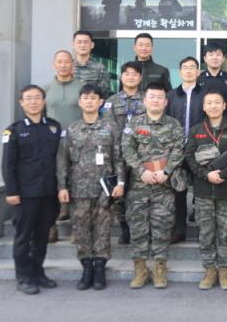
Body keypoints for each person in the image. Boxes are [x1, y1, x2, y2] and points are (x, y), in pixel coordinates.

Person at [57, 85, 125, 291]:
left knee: (103, 228)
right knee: (81, 229)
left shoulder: (111, 128)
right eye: (85, 98)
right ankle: (86, 268)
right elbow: (63, 161)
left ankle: (100, 268)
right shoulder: (71, 129)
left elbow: (118, 157)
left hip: (104, 189)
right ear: (79, 102)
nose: (89, 101)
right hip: (79, 190)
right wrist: (62, 186)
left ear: (101, 102)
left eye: (93, 98)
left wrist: (120, 182)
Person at [122, 83, 185, 289]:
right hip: (139, 186)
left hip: (164, 186)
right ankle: (140, 270)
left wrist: (166, 171)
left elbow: (179, 149)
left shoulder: (174, 125)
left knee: (162, 228)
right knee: (138, 228)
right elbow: (127, 148)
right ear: (145, 100)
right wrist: (141, 171)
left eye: (159, 97)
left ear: (166, 102)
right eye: (152, 96)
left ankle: (159, 269)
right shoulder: (134, 123)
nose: (155, 100)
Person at [1, 85, 61, 295]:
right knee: (23, 237)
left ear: (44, 101)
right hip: (26, 193)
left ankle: (38, 272)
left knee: (42, 236)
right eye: (28, 98)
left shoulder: (54, 127)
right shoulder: (14, 130)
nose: (33, 102)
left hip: (49, 192)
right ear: (21, 103)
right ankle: (24, 277)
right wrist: (11, 191)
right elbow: (8, 164)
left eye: (37, 98)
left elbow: (60, 160)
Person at [184, 90, 227, 290]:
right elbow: (189, 157)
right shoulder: (196, 130)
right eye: (209, 103)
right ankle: (210, 270)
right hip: (203, 192)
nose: (213, 106)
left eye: (217, 102)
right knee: (206, 234)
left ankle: (225, 270)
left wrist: (223, 174)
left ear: (224, 105)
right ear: (203, 107)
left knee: (226, 233)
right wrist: (206, 174)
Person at [102, 61, 146, 245]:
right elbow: (109, 128)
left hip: (141, 154)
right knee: (118, 194)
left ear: (140, 78)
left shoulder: (146, 99)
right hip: (117, 153)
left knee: (139, 194)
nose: (131, 77)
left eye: (135, 74)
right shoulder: (111, 101)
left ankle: (139, 229)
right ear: (121, 77)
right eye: (127, 74)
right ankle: (124, 228)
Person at [166, 56, 206, 243]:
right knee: (179, 191)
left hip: (200, 149)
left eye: (192, 67)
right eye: (185, 67)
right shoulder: (171, 95)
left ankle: (203, 231)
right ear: (180, 72)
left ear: (198, 72)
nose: (189, 70)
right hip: (177, 150)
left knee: (201, 191)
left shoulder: (206, 94)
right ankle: (179, 229)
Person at [44, 50, 83, 232]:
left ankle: (76, 226)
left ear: (72, 65)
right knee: (53, 178)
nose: (63, 65)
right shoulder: (46, 89)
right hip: (53, 142)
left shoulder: (82, 87)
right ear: (54, 65)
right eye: (59, 62)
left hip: (78, 141)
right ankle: (51, 227)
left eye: (67, 62)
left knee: (77, 179)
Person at [198, 42, 227, 118]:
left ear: (223, 58)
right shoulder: (198, 80)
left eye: (218, 55)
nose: (215, 57)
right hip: (202, 123)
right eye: (211, 54)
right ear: (205, 58)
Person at [72, 31, 111, 98]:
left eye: (86, 42)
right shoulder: (67, 66)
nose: (82, 45)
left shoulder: (100, 68)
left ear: (92, 45)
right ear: (73, 45)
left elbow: (104, 94)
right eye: (79, 42)